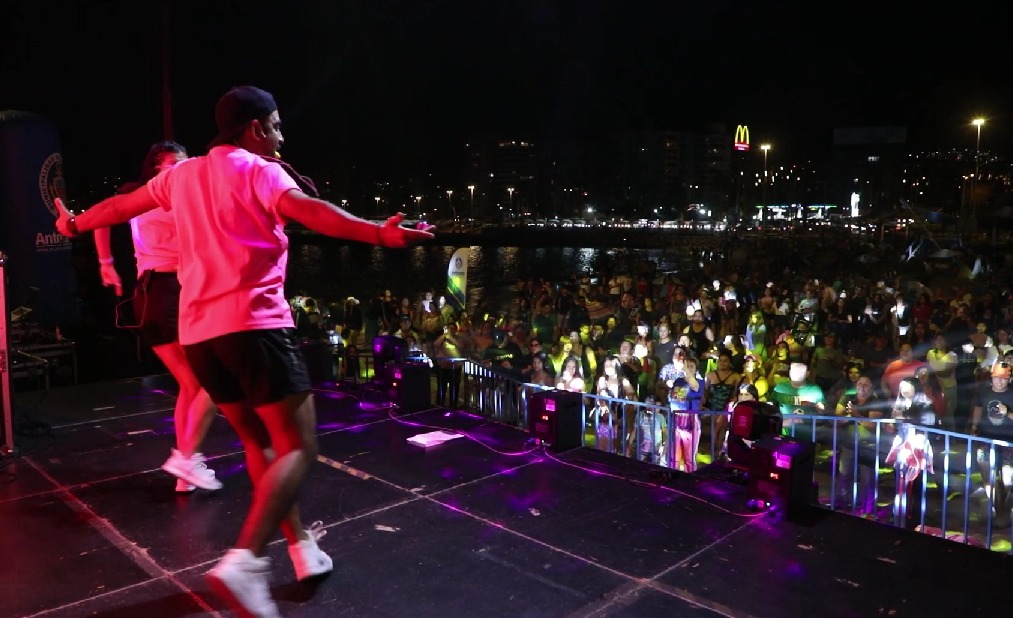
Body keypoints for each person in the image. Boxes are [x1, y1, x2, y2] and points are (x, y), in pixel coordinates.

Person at [55, 85, 435, 617]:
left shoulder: (181, 176)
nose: (281, 136)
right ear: (254, 128)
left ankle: (302, 549)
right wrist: (380, 236)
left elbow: (119, 207)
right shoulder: (260, 170)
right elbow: (313, 212)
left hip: (201, 337)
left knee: (261, 447)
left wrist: (72, 224)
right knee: (300, 448)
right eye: (276, 126)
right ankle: (247, 560)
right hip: (256, 329)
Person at [93, 140, 221, 494]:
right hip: (161, 292)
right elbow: (101, 216)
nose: (181, 167)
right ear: (154, 166)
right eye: (172, 163)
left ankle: (186, 466)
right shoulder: (143, 194)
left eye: (185, 161)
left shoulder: (185, 195)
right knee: (208, 381)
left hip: (178, 290)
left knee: (191, 384)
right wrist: (106, 264)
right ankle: (187, 459)